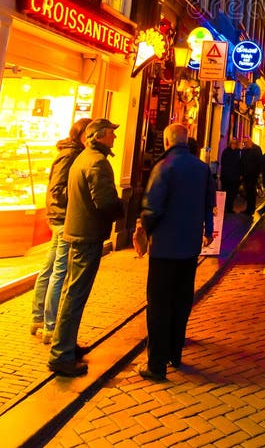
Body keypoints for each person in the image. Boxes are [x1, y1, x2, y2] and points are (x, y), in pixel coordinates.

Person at [137, 123, 215, 382]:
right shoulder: (202, 168)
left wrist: (145, 232)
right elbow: (209, 204)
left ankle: (156, 364)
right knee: (182, 301)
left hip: (165, 247)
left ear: (168, 141)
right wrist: (208, 231)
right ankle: (175, 352)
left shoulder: (164, 167)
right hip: (190, 247)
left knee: (159, 305)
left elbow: (152, 207)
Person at [48, 118, 124, 377]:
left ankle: (66, 344)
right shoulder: (97, 162)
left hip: (78, 231)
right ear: (100, 136)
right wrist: (123, 209)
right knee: (75, 294)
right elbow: (104, 201)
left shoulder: (84, 158)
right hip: (86, 234)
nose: (114, 137)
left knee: (72, 291)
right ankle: (61, 354)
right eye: (111, 134)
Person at [30, 117, 91, 343]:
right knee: (60, 270)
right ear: (83, 135)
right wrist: (79, 196)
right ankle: (51, 324)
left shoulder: (70, 153)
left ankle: (38, 317)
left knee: (49, 267)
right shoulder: (70, 155)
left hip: (59, 216)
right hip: (63, 217)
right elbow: (58, 189)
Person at [240, 137, 262, 216]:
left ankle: (251, 209)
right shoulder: (244, 150)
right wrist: (242, 173)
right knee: (247, 192)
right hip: (245, 175)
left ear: (250, 141)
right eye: (244, 143)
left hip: (253, 175)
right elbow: (242, 161)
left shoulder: (256, 149)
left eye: (246, 143)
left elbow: (259, 162)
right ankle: (248, 209)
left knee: (252, 192)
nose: (245, 144)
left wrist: (257, 173)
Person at [219, 136, 241, 213]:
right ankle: (226, 207)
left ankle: (230, 207)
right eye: (232, 143)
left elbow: (240, 164)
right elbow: (223, 163)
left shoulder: (238, 152)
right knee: (226, 192)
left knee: (233, 193)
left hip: (234, 177)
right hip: (227, 176)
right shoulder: (226, 152)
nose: (234, 145)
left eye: (235, 143)